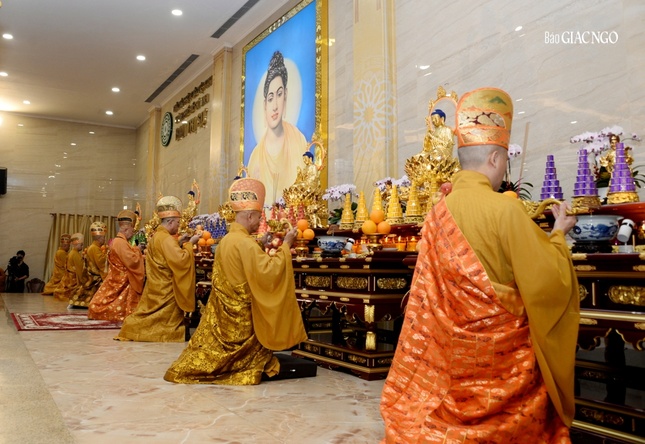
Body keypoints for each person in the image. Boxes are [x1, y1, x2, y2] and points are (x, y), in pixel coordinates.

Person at [381, 87, 580, 443]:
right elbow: (546, 282)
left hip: (451, 361)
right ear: (495, 159)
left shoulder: (437, 213)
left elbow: (427, 297)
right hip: (504, 364)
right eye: (504, 161)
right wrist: (558, 236)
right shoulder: (505, 209)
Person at [164, 178, 307, 385]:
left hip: (223, 317)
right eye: (258, 217)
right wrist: (286, 245)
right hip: (242, 320)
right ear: (249, 216)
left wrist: (260, 244)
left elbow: (243, 264)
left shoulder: (227, 241)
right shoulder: (245, 244)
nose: (259, 221)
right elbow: (269, 271)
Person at [116, 196, 200, 342]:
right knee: (160, 318)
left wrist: (180, 241)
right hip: (166, 288)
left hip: (156, 284)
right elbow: (180, 259)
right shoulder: (166, 239)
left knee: (149, 314)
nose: (178, 226)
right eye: (178, 223)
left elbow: (166, 254)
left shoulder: (158, 236)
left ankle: (132, 327)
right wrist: (190, 244)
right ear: (170, 222)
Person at [247, 50, 307, 205]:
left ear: (285, 96)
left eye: (279, 95)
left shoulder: (298, 141)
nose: (274, 106)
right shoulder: (255, 156)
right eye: (270, 98)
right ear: (264, 105)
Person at [88, 211, 145, 321]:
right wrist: (139, 250)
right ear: (126, 230)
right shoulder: (120, 242)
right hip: (122, 278)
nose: (133, 233)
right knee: (108, 301)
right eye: (132, 231)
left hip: (118, 276)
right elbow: (131, 261)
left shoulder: (120, 241)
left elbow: (127, 255)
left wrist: (136, 250)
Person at [69, 222, 107, 308]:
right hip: (95, 278)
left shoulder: (94, 247)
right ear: (100, 238)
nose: (104, 239)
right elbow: (102, 263)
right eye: (104, 237)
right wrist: (109, 255)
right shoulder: (94, 248)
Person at [54, 234, 87, 302]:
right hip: (73, 281)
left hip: (68, 279)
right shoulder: (75, 254)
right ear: (76, 244)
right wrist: (84, 282)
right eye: (81, 245)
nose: (82, 247)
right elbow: (80, 271)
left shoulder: (72, 253)